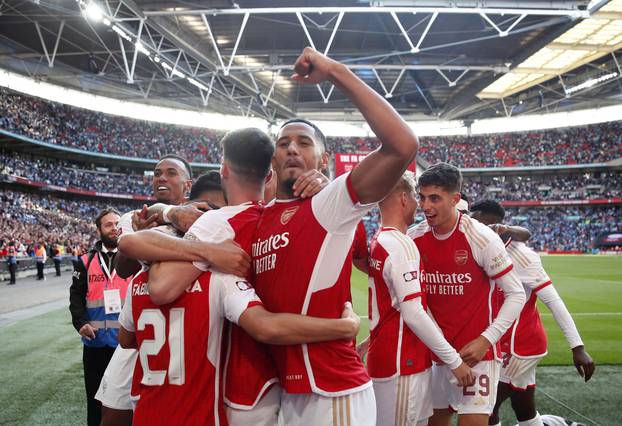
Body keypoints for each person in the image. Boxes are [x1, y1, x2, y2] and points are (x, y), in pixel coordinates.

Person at [119, 127, 364, 425]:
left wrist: (195, 238)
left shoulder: (221, 222)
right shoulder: (272, 218)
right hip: (276, 374)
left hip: (231, 385)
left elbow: (159, 286)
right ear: (270, 173)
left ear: (224, 169)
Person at [249, 47, 419, 425]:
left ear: (323, 161)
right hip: (287, 392)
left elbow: (402, 146)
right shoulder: (257, 218)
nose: (292, 147)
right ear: (272, 161)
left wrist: (335, 71)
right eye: (283, 143)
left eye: (304, 143)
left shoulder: (327, 203)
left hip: (333, 391)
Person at [407, 163, 526, 426]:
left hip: (477, 356)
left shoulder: (481, 237)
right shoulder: (413, 238)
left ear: (455, 199)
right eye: (422, 197)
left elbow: (516, 294)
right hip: (434, 356)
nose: (425, 206)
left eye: (434, 198)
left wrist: (486, 340)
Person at [360, 171, 474, 426]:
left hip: (390, 359)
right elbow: (413, 313)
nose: (420, 204)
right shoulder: (402, 244)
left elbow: (393, 307)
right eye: (415, 196)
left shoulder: (380, 240)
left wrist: (368, 341)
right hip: (403, 364)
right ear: (403, 199)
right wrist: (454, 361)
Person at [469, 200, 595, 426]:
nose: (471, 226)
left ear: (493, 224)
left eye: (476, 221)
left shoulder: (522, 257)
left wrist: (578, 347)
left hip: (521, 345)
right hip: (502, 341)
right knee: (523, 407)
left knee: (486, 405)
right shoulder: (481, 250)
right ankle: (559, 424)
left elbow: (554, 301)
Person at [69, 207, 131, 426]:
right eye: (108, 224)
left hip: (125, 343)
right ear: (99, 230)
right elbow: (76, 298)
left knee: (126, 402)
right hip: (94, 343)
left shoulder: (134, 259)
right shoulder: (84, 261)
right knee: (95, 400)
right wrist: (81, 324)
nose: (114, 228)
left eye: (117, 224)